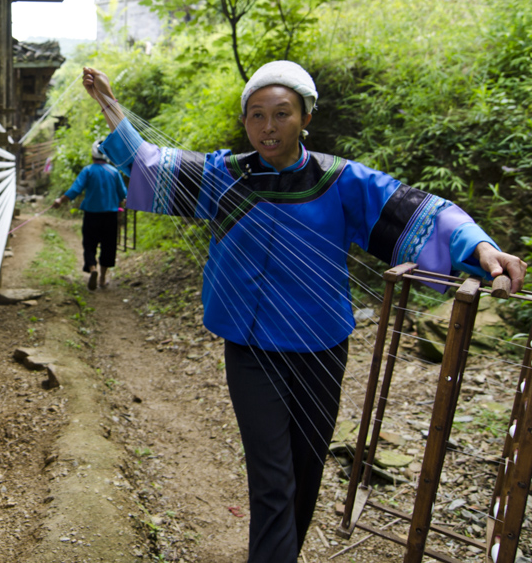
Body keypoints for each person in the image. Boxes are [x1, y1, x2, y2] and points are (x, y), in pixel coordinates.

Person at [81, 61, 528, 563]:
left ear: (306, 117)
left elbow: (424, 214)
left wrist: (482, 248)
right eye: (256, 116)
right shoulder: (223, 177)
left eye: (281, 114)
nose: (267, 127)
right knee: (272, 479)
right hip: (252, 352)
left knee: (306, 471)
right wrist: (108, 102)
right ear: (245, 122)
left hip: (323, 349)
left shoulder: (341, 181)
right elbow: (148, 161)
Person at [51, 140, 128, 290]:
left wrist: (60, 200)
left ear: (92, 155)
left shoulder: (88, 171)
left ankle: (93, 269)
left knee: (89, 244)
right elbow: (123, 195)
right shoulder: (114, 172)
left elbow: (75, 190)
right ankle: (102, 279)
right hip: (110, 216)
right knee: (108, 246)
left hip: (92, 215)